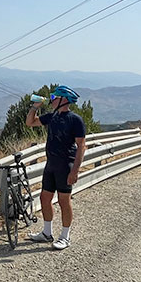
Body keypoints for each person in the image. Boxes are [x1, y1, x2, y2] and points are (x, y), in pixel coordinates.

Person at [25, 85, 86, 250]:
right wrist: (35, 107)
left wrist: (75, 171)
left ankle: (65, 237)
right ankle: (47, 233)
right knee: (45, 198)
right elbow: (30, 122)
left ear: (63, 100)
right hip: (51, 163)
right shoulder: (52, 117)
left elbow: (81, 146)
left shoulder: (75, 120)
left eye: (54, 97)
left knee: (63, 200)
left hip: (66, 165)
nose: (51, 100)